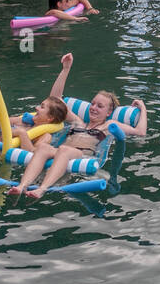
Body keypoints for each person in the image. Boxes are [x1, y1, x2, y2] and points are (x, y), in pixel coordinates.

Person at [13, 52, 147, 200]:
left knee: (63, 149)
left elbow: (140, 132)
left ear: (109, 112)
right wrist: (66, 69)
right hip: (60, 152)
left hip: (82, 155)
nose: (93, 108)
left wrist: (143, 108)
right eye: (93, 103)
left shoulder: (109, 125)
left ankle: (42, 189)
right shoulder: (78, 122)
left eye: (100, 106)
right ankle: (21, 186)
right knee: (44, 147)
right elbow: (55, 101)